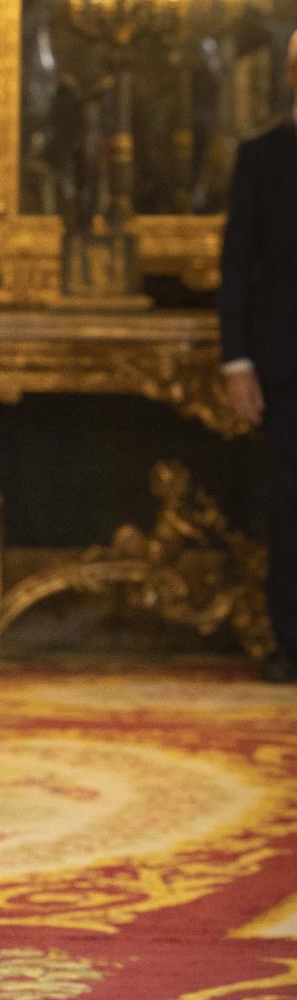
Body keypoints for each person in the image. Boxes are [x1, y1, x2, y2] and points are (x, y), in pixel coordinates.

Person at [219, 28, 297, 685]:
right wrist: (237, 362)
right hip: (283, 368)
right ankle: (289, 646)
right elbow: (237, 264)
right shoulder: (261, 157)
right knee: (289, 510)